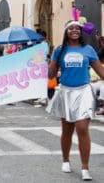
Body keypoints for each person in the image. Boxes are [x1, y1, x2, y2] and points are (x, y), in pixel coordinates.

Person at [46, 20, 104, 181]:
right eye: (71, 28)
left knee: (82, 127)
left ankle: (85, 167)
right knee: (67, 129)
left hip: (84, 91)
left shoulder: (88, 50)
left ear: (81, 31)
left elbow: (101, 72)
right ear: (66, 31)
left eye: (77, 28)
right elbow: (51, 75)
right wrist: (47, 63)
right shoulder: (60, 50)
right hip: (66, 91)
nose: (74, 30)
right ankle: (65, 160)